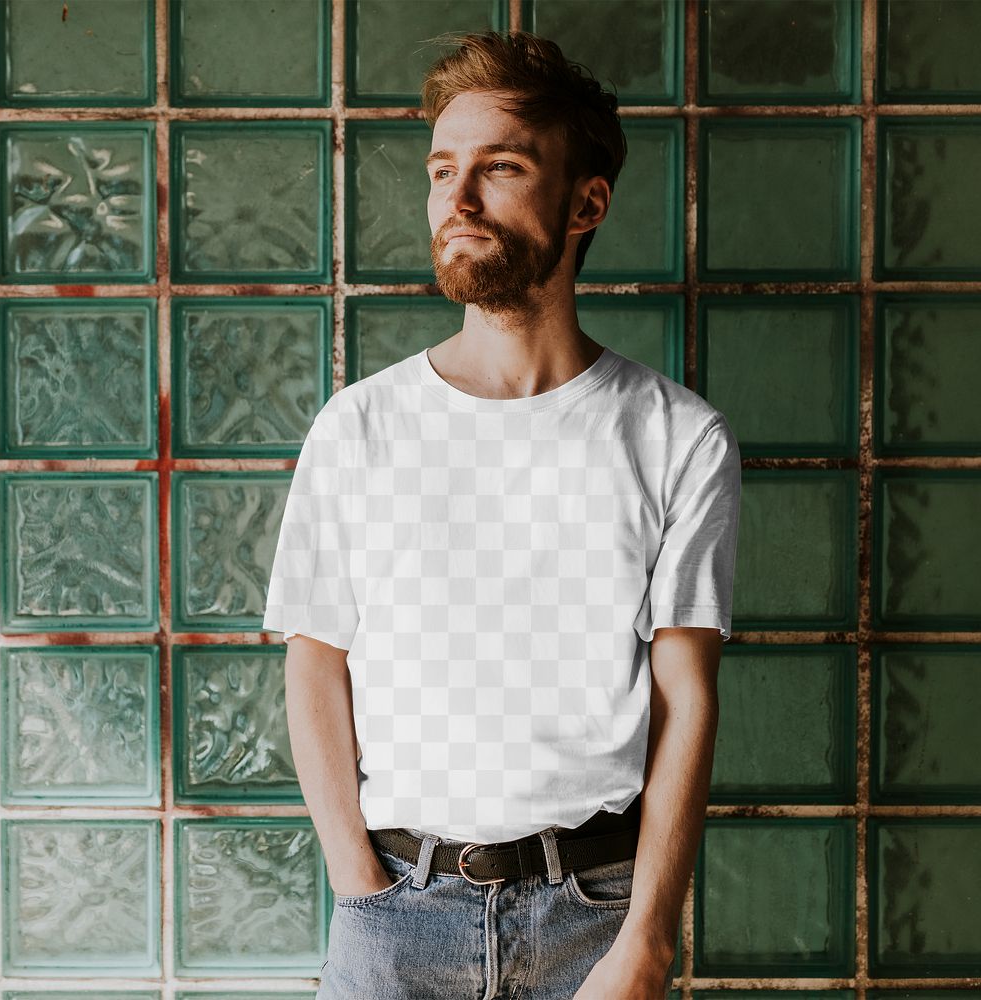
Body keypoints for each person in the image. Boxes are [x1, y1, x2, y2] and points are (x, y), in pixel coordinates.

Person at [262, 30, 741, 1000]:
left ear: (585, 202)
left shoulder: (675, 436)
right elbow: (315, 660)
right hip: (396, 909)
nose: (459, 199)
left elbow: (685, 695)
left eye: (500, 168)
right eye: (443, 171)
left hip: (593, 915)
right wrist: (360, 890)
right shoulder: (360, 427)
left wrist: (646, 938)